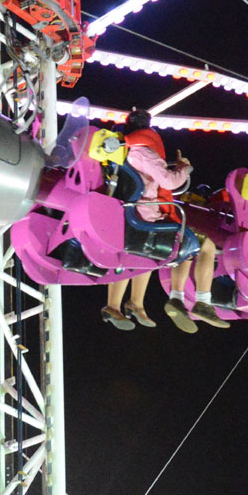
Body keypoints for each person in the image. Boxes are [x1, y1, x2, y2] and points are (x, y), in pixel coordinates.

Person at [101, 110, 227, 333]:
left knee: (140, 255)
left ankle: (125, 305)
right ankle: (201, 302)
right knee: (200, 245)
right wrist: (184, 168)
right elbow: (170, 182)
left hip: (126, 214)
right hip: (149, 216)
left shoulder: (121, 150)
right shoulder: (143, 151)